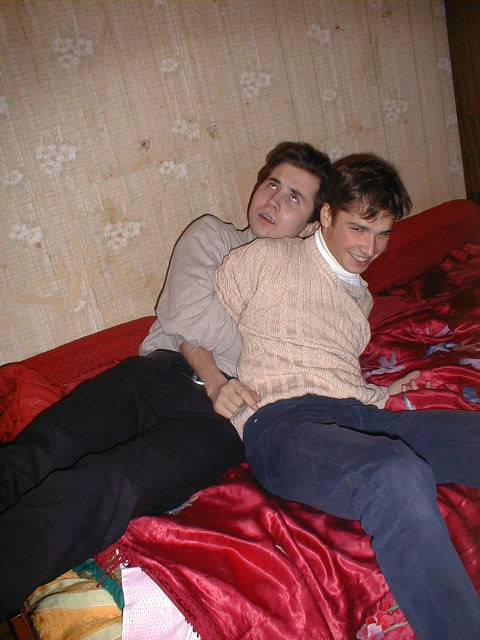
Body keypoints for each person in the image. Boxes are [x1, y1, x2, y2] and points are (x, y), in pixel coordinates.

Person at [0, 142, 331, 619]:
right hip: (154, 375)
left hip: (221, 424)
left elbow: (296, 366)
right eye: (271, 184)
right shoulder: (212, 235)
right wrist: (241, 352)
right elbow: (184, 314)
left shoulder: (308, 295)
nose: (274, 200)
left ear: (313, 224)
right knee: (46, 448)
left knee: (110, 484)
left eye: (294, 197)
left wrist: (217, 342)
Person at [211, 154, 480, 640]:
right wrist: (211, 379)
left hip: (356, 412)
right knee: (395, 474)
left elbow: (331, 369)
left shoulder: (360, 298)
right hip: (281, 424)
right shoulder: (266, 257)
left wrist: (380, 393)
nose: (370, 248)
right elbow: (193, 318)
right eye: (358, 229)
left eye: (383, 234)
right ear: (327, 214)